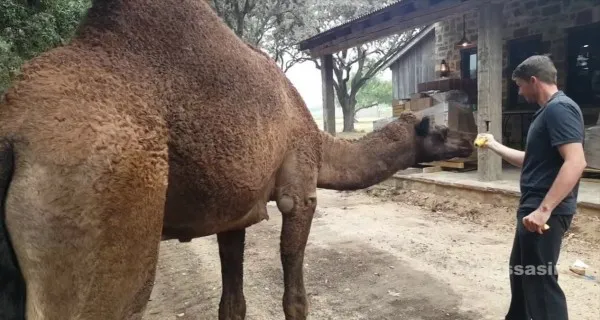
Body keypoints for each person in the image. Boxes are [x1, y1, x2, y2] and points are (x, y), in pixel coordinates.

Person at [476, 55, 587, 320]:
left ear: (534, 81)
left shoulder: (559, 109)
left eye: (519, 85)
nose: (518, 90)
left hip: (542, 212)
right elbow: (530, 160)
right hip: (532, 209)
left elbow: (576, 161)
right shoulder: (548, 112)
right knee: (522, 272)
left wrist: (544, 210)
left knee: (539, 281)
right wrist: (492, 144)